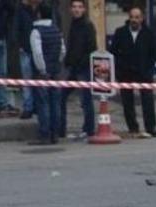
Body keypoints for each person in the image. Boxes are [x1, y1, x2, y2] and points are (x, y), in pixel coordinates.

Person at [109, 7, 156, 138]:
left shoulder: (149, 33)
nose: (134, 20)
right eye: (132, 17)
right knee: (127, 102)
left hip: (144, 72)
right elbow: (113, 52)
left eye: (137, 17)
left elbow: (154, 54)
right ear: (129, 18)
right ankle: (133, 127)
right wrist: (119, 69)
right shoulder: (120, 32)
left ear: (142, 18)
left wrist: (149, 69)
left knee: (148, 101)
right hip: (126, 72)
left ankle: (150, 127)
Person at [28, 3, 64, 145]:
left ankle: (45, 134)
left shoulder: (36, 32)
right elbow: (62, 51)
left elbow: (37, 53)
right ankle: (55, 133)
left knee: (43, 103)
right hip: (55, 71)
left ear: (38, 14)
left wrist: (42, 69)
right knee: (55, 102)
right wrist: (56, 63)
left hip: (42, 73)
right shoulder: (56, 30)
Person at [60, 0, 96, 140]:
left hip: (83, 68)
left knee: (86, 100)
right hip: (74, 68)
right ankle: (61, 129)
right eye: (74, 7)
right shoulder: (73, 25)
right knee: (62, 96)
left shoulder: (87, 25)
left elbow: (91, 47)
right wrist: (69, 62)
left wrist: (81, 63)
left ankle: (89, 129)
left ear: (84, 9)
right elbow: (72, 46)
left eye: (80, 7)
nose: (77, 10)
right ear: (70, 9)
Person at [14, 0, 41, 119]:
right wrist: (20, 45)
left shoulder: (43, 8)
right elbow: (16, 28)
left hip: (39, 50)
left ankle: (38, 106)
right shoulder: (21, 10)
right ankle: (28, 107)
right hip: (26, 49)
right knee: (27, 80)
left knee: (39, 79)